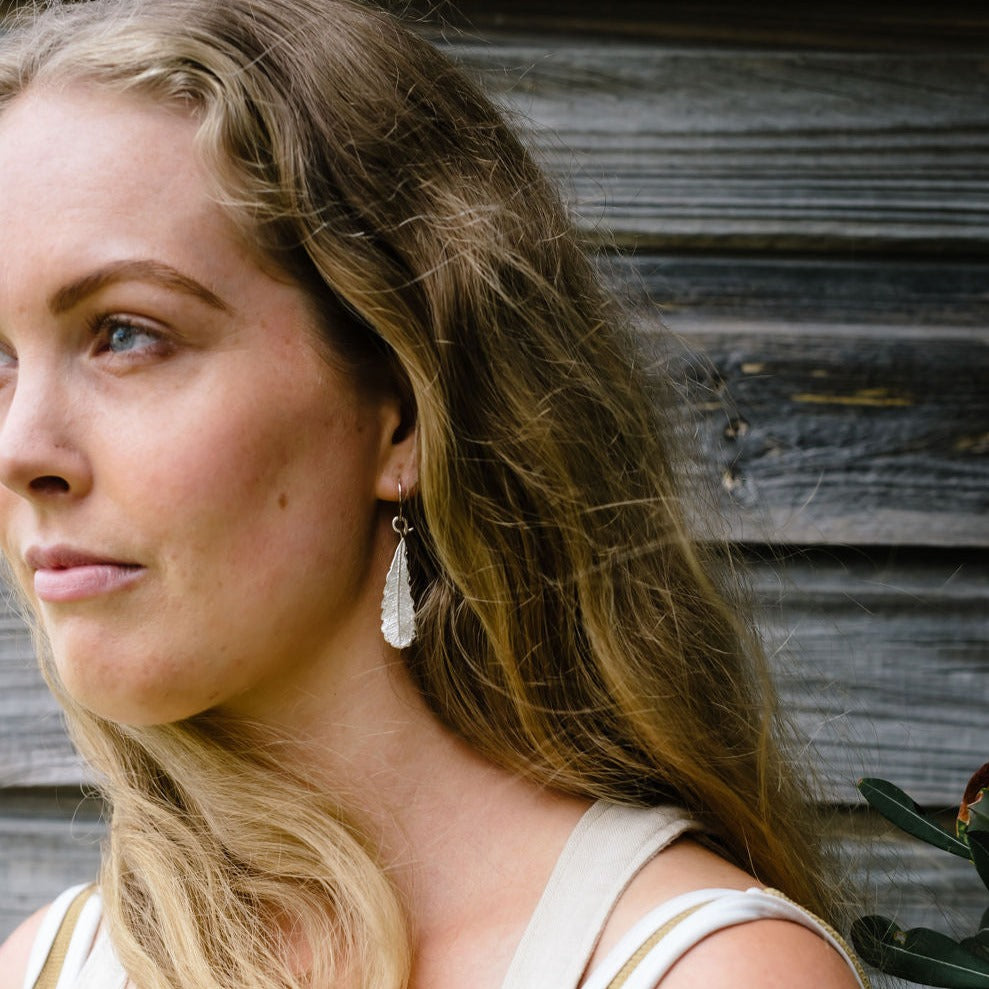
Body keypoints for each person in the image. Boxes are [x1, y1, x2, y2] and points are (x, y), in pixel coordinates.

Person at [0, 1, 869, 987]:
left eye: (126, 333)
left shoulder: (696, 971)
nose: (20, 446)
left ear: (403, 410)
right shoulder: (49, 965)